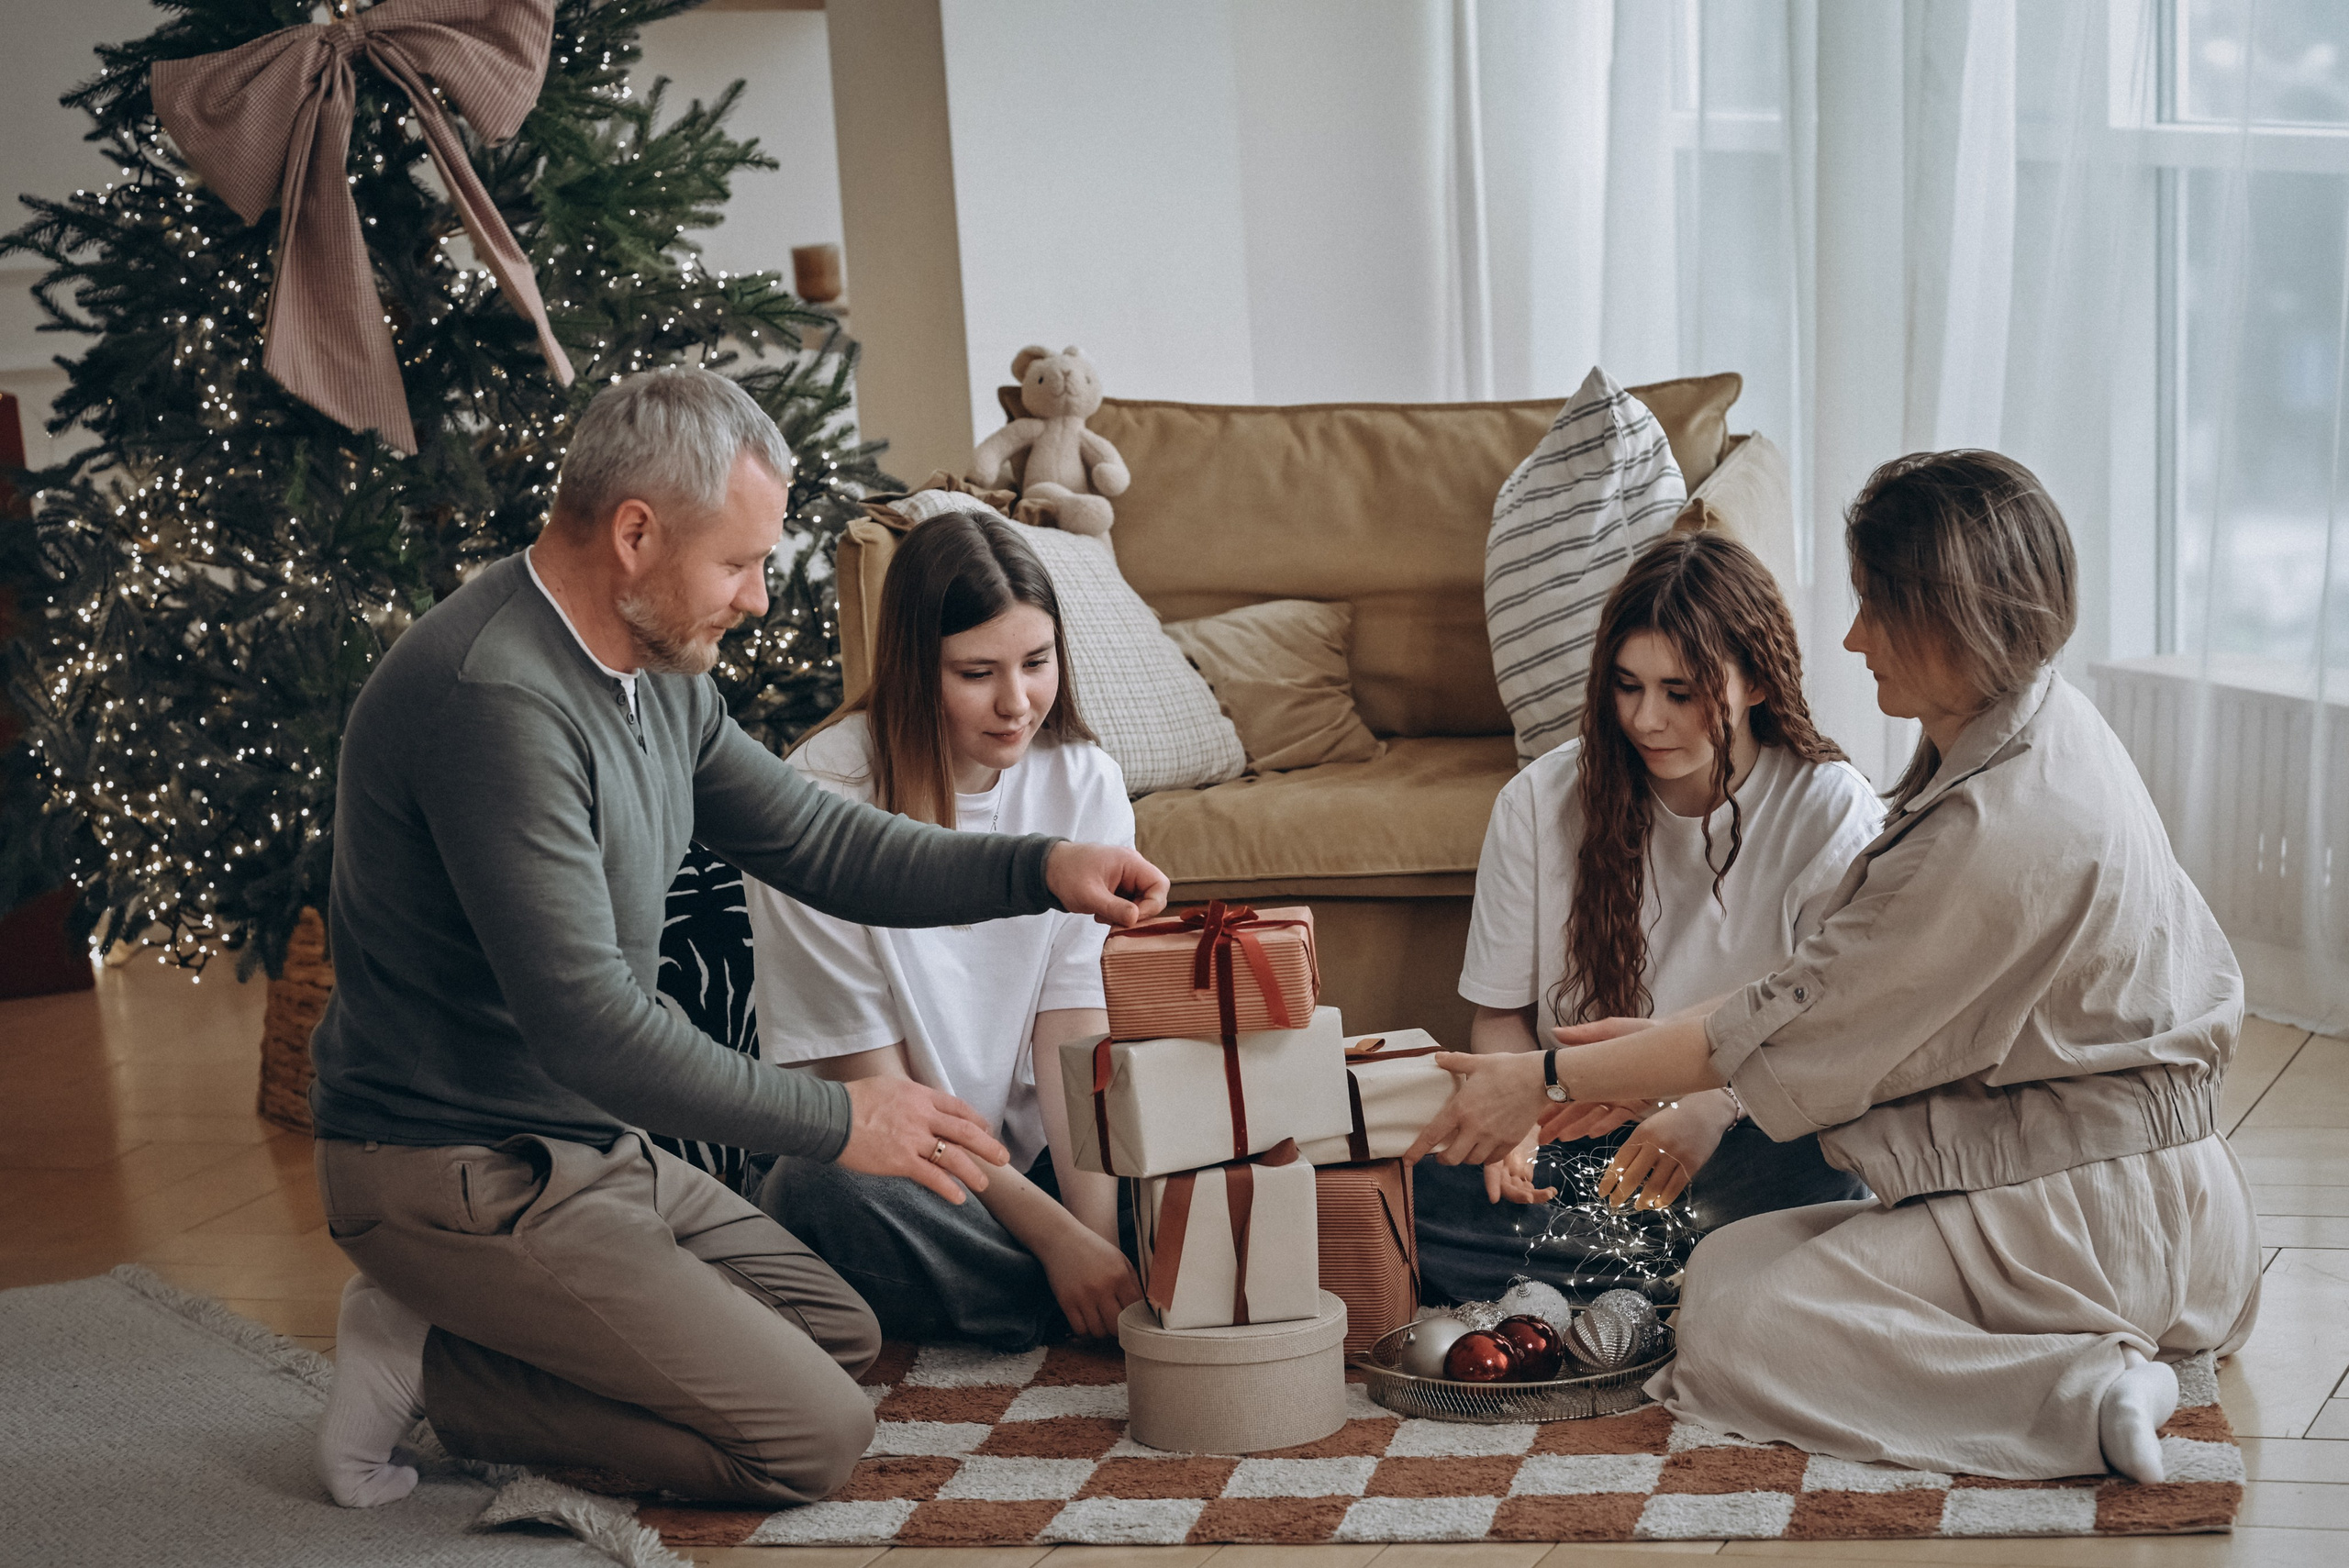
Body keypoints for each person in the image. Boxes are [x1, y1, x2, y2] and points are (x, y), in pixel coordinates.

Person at [305, 367, 1169, 1511]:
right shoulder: (496, 702)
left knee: (838, 1330)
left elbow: (817, 838)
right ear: (635, 534)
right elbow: (592, 1029)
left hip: (589, 1145)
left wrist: (1040, 867)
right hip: (460, 1167)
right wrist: (845, 1118)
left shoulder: (652, 670)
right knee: (811, 1438)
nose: (758, 597)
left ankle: (466, 1321)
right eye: (739, 563)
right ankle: (435, 1366)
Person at [1408, 450, 2260, 1484]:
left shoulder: (1985, 833)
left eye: (1873, 609)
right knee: (1718, 1268)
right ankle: (2072, 1362)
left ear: (1951, 618)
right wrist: (1634, 1056)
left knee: (1728, 1338)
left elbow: (1804, 1024)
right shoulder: (2034, 727)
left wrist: (1549, 1077)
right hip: (2086, 1190)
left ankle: (2082, 1390)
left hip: (2090, 1219)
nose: (1852, 639)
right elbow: (1821, 988)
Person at [1418, 531, 1878, 1304]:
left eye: (1681, 692)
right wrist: (1515, 1123)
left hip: (1744, 1139)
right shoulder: (1537, 803)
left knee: (1826, 1161)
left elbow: (1834, 1030)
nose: (1646, 719)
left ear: (1757, 683)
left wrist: (1710, 1107)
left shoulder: (1829, 809)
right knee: (1417, 1184)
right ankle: (1699, 1282)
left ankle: (1611, 1282)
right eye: (1627, 686)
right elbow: (1501, 1014)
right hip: (1577, 1142)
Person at [744, 508, 1143, 1349]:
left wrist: (1095, 1237)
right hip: (897, 1161)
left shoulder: (1085, 781)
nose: (1016, 702)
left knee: (1235, 1150)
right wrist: (1058, 1242)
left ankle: (1082, 1288)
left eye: (1037, 662)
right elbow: (877, 1095)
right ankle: (1097, 1294)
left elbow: (1075, 1033)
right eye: (976, 672)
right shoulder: (816, 797)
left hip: (1039, 1162)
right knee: (817, 1193)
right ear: (912, 668)